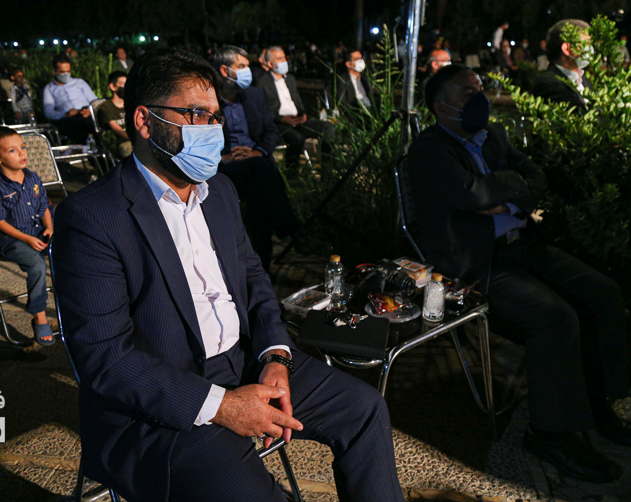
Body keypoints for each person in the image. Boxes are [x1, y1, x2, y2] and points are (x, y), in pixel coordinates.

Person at [50, 47, 405, 502]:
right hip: (160, 406)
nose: (213, 129)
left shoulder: (218, 190)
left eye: (216, 116)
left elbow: (254, 282)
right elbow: (105, 359)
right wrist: (222, 406)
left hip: (243, 361)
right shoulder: (93, 216)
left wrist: (276, 356)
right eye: (197, 114)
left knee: (365, 411)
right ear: (144, 121)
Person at [406, 64, 631, 484]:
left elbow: (535, 178)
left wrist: (501, 195)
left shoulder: (493, 136)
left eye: (480, 89)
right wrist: (506, 190)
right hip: (476, 264)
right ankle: (550, 434)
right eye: (467, 94)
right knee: (556, 317)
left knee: (604, 293)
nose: (480, 99)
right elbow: (471, 193)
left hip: (524, 246)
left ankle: (599, 406)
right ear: (440, 107)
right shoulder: (429, 150)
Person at [213, 46, 310, 270]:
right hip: (227, 167)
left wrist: (258, 151)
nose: (248, 71)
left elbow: (271, 131)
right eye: (241, 66)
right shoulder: (208, 101)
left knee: (258, 191)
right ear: (224, 71)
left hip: (256, 164)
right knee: (262, 170)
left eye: (248, 66)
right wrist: (223, 158)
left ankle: (261, 268)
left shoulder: (254, 95)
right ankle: (292, 231)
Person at [0, 127, 55, 345]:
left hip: (39, 230)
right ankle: (40, 317)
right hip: (12, 238)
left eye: (22, 147)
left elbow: (44, 206)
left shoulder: (33, 177)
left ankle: (81, 304)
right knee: (37, 266)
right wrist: (27, 239)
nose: (22, 153)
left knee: (77, 247)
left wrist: (49, 227)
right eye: (13, 150)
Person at [255, 45, 336, 170]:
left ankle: (327, 171)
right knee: (297, 138)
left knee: (328, 128)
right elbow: (261, 110)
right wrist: (282, 119)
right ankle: (292, 174)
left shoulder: (290, 79)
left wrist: (303, 114)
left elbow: (297, 101)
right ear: (270, 64)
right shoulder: (262, 82)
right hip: (278, 122)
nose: (284, 61)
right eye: (279, 59)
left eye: (284, 57)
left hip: (297, 120)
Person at [531, 19, 593, 114]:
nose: (590, 48)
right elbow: (580, 114)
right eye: (586, 43)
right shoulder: (549, 84)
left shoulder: (585, 81)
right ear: (566, 49)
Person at [42, 53, 98, 143]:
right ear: (54, 71)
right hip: (68, 120)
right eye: (62, 72)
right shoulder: (49, 88)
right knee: (76, 127)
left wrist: (90, 111)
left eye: (68, 71)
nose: (66, 74)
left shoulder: (79, 83)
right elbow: (49, 113)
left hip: (87, 115)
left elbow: (94, 101)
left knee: (91, 123)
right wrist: (65, 114)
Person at [329, 48, 376, 113]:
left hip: (370, 111)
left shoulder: (365, 79)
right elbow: (342, 103)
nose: (361, 61)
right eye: (357, 59)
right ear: (348, 64)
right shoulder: (342, 80)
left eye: (361, 58)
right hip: (355, 113)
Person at [97, 71, 131, 158]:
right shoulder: (106, 107)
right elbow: (117, 130)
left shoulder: (130, 104)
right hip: (123, 142)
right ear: (113, 86)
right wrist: (134, 139)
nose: (125, 87)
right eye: (122, 84)